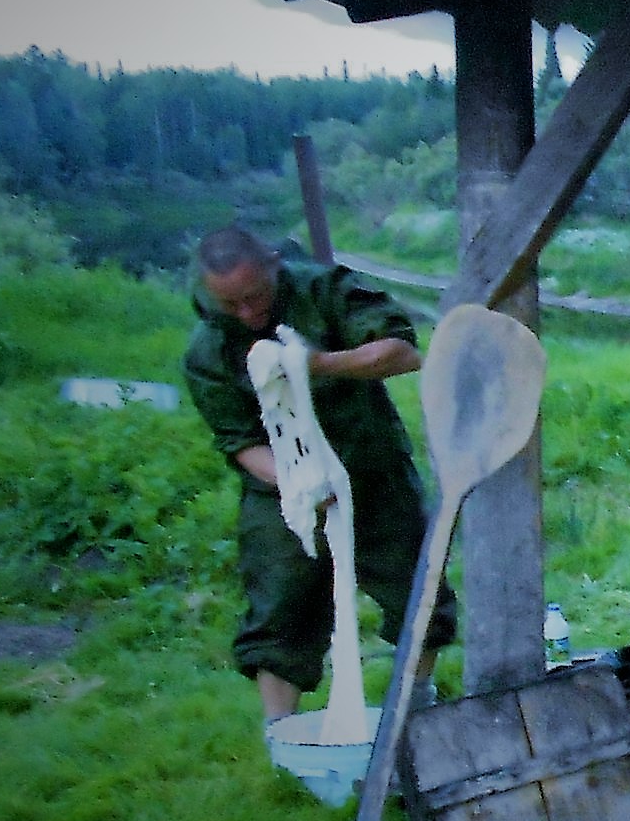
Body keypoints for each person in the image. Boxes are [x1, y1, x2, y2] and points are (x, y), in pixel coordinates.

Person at [182, 226, 457, 733]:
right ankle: (282, 736)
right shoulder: (208, 350)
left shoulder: (327, 292)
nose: (246, 313)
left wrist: (314, 364)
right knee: (279, 604)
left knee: (416, 592)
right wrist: (302, 484)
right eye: (230, 303)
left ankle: (416, 711)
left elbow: (403, 353)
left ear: (271, 264)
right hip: (283, 489)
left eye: (255, 296)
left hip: (373, 471)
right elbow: (241, 442)